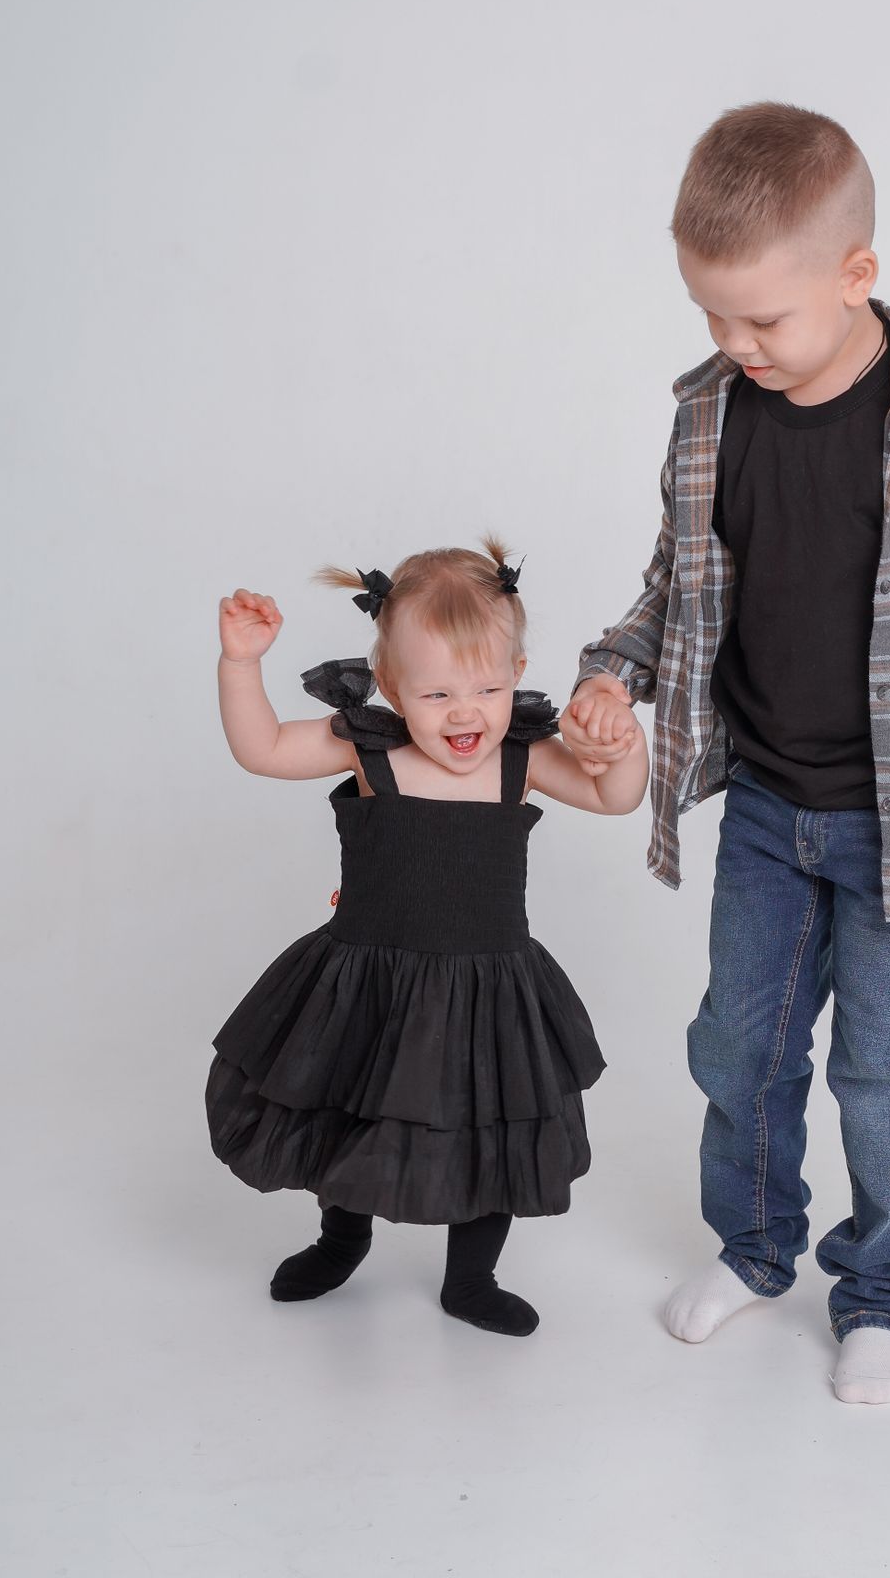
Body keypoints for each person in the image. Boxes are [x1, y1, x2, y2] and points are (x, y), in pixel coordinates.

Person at [561, 103, 890, 1403]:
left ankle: (883, 1295)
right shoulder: (711, 413)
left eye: (763, 320)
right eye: (711, 316)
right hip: (766, 803)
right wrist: (615, 668)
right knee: (738, 1048)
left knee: (884, 1070)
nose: (735, 345)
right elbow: (679, 582)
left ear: (857, 274)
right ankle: (753, 1249)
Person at [207, 536, 648, 1336]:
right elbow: (263, 750)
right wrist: (241, 665)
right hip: (368, 983)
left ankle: (471, 1278)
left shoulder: (521, 758)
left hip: (488, 987)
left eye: (487, 688)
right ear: (390, 684)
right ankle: (341, 1237)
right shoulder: (369, 747)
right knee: (350, 1110)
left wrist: (623, 743)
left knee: (488, 1127)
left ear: (517, 673)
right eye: (437, 693)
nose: (464, 712)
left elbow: (614, 798)